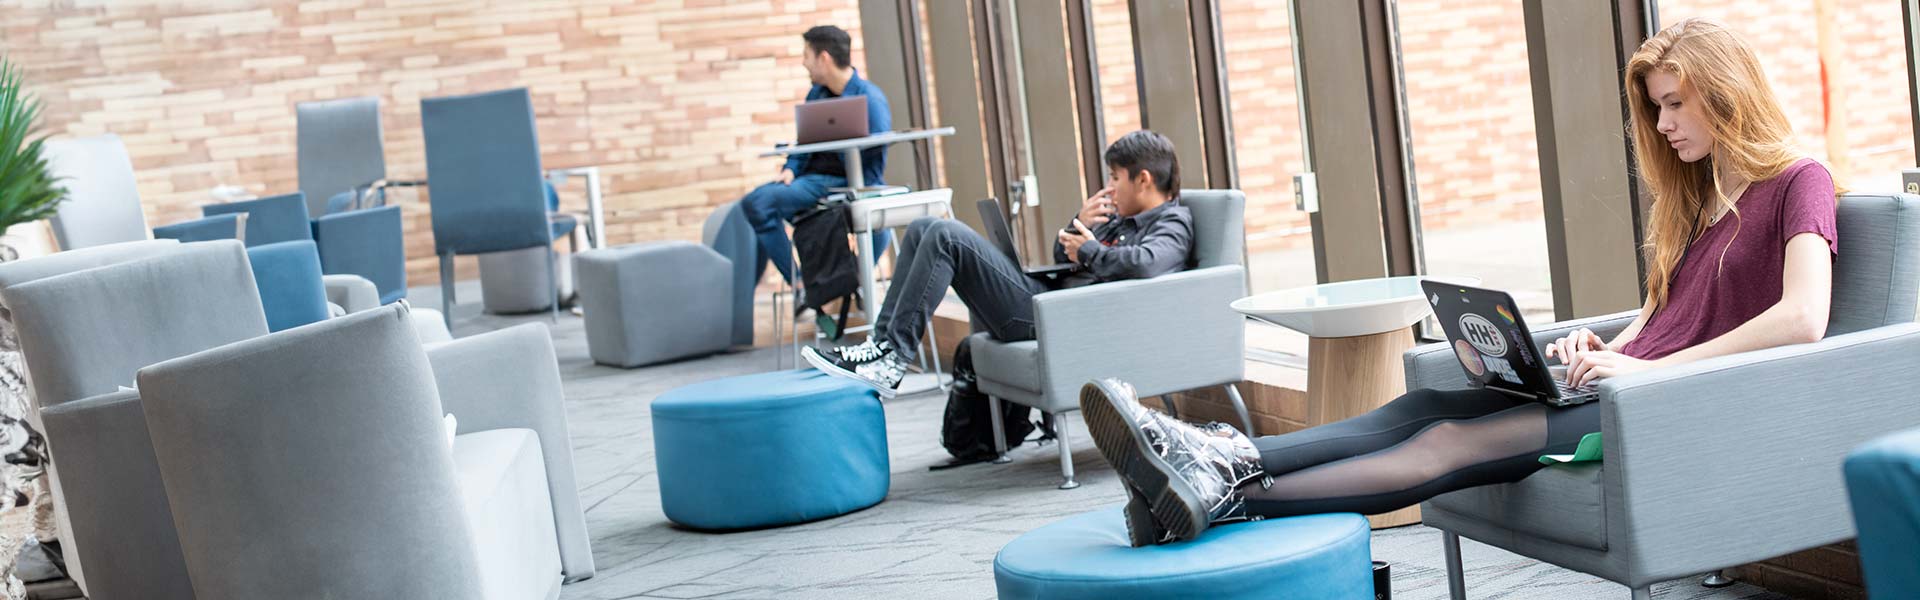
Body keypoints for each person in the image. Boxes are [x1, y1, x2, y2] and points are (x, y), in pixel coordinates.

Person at [1084, 17, 1842, 547]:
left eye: (1676, 103)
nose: (1666, 123)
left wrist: (1643, 368)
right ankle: (1216, 459)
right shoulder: (1699, 196)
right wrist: (1607, 345)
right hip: (1627, 378)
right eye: (1657, 107)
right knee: (1422, 400)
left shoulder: (1799, 178)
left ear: (1726, 89)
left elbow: (1802, 318)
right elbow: (1668, 307)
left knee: (1447, 441)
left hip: (1670, 400)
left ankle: (1215, 497)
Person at [804, 130, 1197, 397]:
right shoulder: (1118, 219)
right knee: (925, 226)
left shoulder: (1172, 222)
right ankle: (883, 347)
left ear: (1143, 179)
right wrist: (1078, 227)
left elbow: (1148, 265)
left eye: (1115, 178)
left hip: (1062, 320)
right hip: (1048, 303)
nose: (1109, 188)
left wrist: (1091, 250)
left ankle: (891, 357)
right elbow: (1067, 259)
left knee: (946, 235)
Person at [741, 24, 894, 285]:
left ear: (824, 58)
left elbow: (878, 148)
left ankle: (852, 282)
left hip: (850, 185)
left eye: (806, 56)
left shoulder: (870, 98)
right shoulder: (816, 94)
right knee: (757, 203)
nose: (804, 64)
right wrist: (791, 168)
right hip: (813, 183)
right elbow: (804, 142)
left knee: (875, 223)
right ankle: (802, 284)